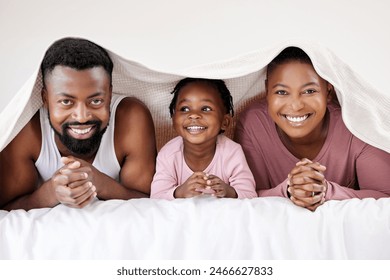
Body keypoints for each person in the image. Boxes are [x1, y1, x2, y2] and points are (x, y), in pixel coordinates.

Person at [0, 37, 157, 210]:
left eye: (96, 101)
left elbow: (150, 201)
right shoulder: (26, 129)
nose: (82, 117)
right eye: (66, 102)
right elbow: (5, 209)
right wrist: (51, 191)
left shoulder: (131, 118)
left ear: (110, 94)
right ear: (45, 99)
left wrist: (100, 183)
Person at [235, 47, 390, 211]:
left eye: (309, 91)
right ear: (267, 91)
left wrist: (326, 191)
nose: (296, 105)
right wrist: (288, 190)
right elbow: (247, 195)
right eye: (281, 92)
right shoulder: (254, 123)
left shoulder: (357, 125)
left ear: (328, 90)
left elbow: (385, 196)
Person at [151, 78, 256, 199]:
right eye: (185, 109)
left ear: (225, 122)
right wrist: (179, 192)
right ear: (174, 120)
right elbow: (156, 198)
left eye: (206, 109)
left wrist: (229, 192)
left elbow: (251, 196)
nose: (194, 115)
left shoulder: (232, 152)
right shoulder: (168, 154)